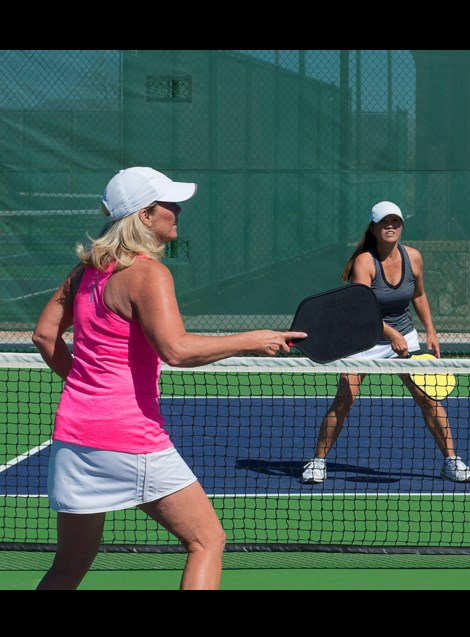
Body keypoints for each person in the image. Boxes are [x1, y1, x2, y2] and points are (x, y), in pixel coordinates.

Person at [31, 167, 305, 590]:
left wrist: (85, 385)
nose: (177, 211)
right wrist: (251, 340)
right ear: (144, 215)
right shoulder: (148, 274)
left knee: (68, 568)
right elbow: (175, 349)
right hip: (129, 437)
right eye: (168, 205)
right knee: (207, 540)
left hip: (73, 436)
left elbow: (44, 334)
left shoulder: (83, 274)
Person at [301, 201, 470, 484]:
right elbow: (362, 309)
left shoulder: (414, 258)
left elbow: (418, 295)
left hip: (404, 336)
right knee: (345, 399)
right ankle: (318, 462)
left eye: (395, 221)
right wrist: (390, 335)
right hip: (363, 339)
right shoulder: (364, 262)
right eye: (384, 222)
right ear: (374, 227)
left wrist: (430, 330)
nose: (390, 226)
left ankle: (451, 461)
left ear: (402, 226)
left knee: (428, 398)